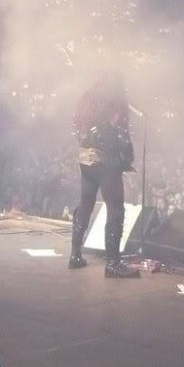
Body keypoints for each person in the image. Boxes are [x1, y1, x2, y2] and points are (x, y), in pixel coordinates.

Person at [68, 70, 139, 278]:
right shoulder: (115, 101)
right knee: (115, 208)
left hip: (85, 158)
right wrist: (127, 157)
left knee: (85, 204)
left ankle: (75, 256)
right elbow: (121, 134)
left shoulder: (86, 99)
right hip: (107, 161)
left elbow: (76, 127)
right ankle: (113, 263)